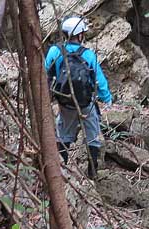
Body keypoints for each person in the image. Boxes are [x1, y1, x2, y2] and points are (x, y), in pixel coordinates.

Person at [44, 15, 112, 178]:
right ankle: (92, 171)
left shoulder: (55, 51)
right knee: (92, 135)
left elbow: (46, 74)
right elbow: (99, 80)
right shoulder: (88, 55)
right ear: (80, 35)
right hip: (85, 103)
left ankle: (62, 170)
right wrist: (107, 98)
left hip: (64, 101)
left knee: (64, 133)